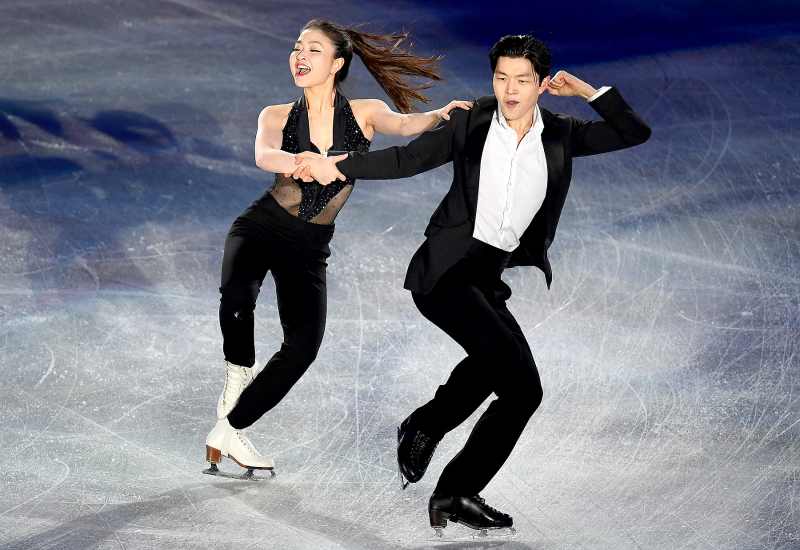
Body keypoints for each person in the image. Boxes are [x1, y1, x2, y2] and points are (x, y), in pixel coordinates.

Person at [295, 33, 651, 533]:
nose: (510, 90)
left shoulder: (560, 135)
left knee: (492, 368)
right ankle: (453, 484)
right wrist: (337, 165)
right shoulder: (472, 121)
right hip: (444, 273)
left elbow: (634, 132)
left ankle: (427, 432)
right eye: (501, 77)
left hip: (486, 276)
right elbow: (407, 160)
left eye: (522, 80)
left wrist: (589, 92)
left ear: (542, 84)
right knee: (522, 389)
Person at [204, 19, 472, 477]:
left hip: (309, 248)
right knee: (237, 298)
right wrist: (302, 161)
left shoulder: (364, 112)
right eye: (296, 48)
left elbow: (405, 124)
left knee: (304, 346)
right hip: (261, 227)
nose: (300, 56)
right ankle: (237, 374)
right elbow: (264, 155)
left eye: (312, 49)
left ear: (337, 63)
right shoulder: (275, 114)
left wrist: (438, 115)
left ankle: (232, 427)